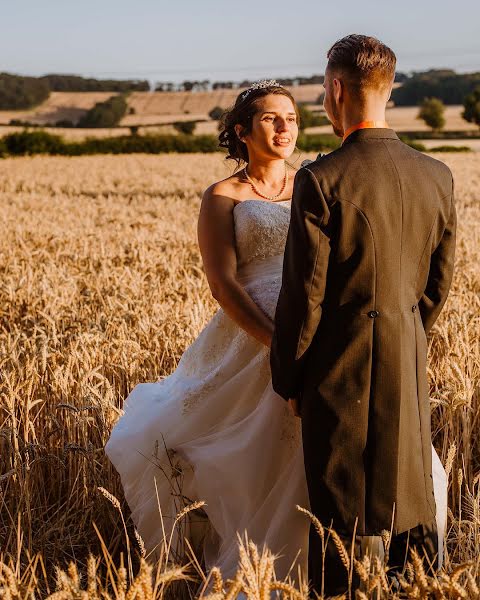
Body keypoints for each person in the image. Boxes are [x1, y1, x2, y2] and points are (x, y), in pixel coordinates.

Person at [105, 77, 447, 593]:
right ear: (242, 131)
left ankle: (346, 569)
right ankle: (262, 569)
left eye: (290, 117)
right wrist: (280, 345)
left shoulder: (320, 179)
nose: (284, 127)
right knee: (250, 459)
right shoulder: (222, 196)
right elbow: (223, 284)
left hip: (324, 329)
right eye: (270, 118)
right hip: (255, 337)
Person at [270, 35, 455, 597]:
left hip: (336, 370)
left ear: (335, 90)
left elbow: (305, 298)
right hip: (408, 364)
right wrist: (402, 330)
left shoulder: (321, 180)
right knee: (411, 513)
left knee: (341, 528)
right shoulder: (437, 175)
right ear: (390, 90)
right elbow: (438, 284)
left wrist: (290, 380)